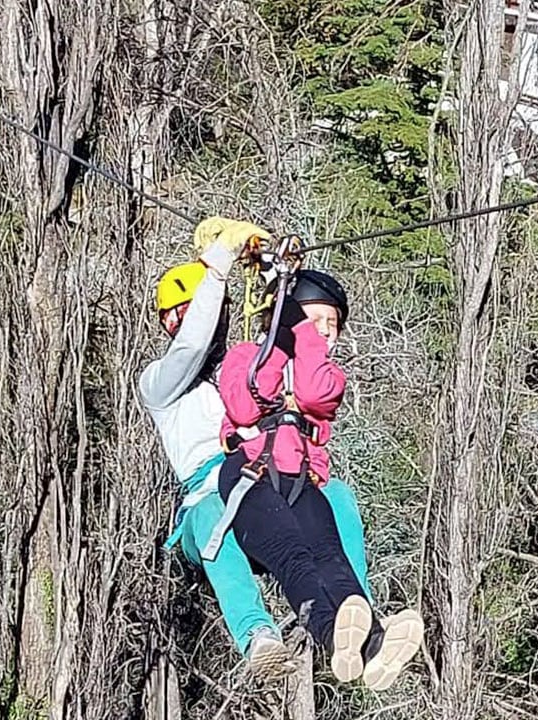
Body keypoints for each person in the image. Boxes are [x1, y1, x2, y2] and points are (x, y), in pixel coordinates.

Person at [211, 269, 424, 692]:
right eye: (315, 320)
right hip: (249, 477)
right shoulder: (243, 357)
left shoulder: (329, 376)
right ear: (285, 316)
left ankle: (372, 644)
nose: (325, 333)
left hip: (301, 482)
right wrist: (283, 335)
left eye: (332, 325)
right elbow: (247, 403)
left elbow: (310, 392)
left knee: (332, 556)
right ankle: (333, 635)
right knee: (295, 556)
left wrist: (300, 332)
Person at [139, 217, 297, 678]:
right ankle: (257, 636)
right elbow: (191, 348)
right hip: (205, 505)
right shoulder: (158, 384)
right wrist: (218, 267)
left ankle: (351, 613)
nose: (179, 320)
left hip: (254, 485)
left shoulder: (236, 369)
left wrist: (281, 280)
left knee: (329, 499)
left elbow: (283, 353)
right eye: (178, 314)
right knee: (210, 515)